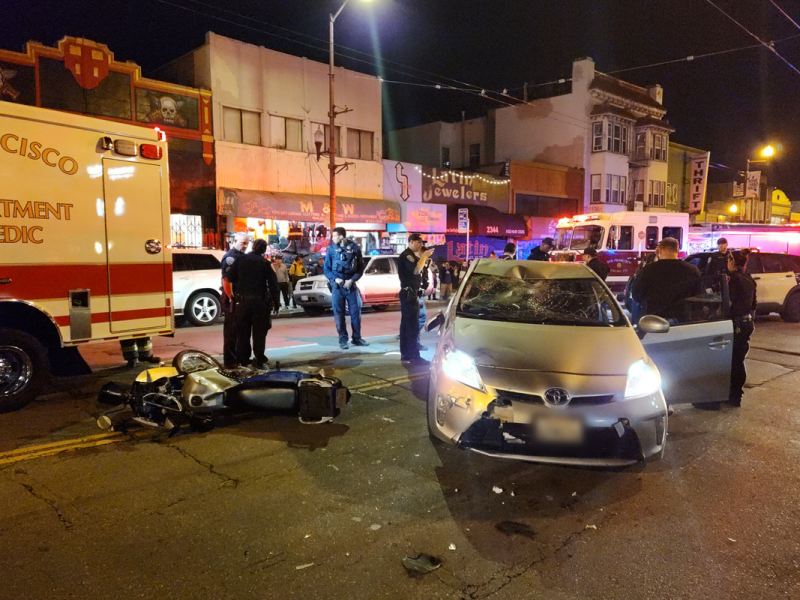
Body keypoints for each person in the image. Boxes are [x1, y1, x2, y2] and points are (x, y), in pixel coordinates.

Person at [226, 238, 280, 368]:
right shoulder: (264, 263)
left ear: (253, 247)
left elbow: (230, 278)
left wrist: (234, 296)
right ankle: (259, 357)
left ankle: (243, 358)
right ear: (264, 249)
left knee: (243, 332)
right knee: (259, 332)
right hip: (259, 302)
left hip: (243, 302)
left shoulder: (239, 260)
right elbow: (273, 284)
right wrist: (276, 302)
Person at [631, 237, 701, 322]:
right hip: (682, 319)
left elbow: (636, 295)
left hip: (655, 319)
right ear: (677, 250)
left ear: (659, 250)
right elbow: (697, 295)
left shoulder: (649, 270)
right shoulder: (692, 270)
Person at [324, 227, 369, 350]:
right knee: (339, 314)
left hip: (351, 286)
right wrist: (335, 278)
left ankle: (357, 338)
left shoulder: (354, 248)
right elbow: (326, 269)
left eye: (335, 236)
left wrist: (352, 280)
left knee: (355, 313)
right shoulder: (331, 250)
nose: (333, 239)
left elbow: (360, 268)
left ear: (342, 237)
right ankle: (343, 340)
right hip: (337, 287)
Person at [398, 233, 434, 364]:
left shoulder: (412, 255)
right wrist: (424, 256)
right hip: (409, 294)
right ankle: (414, 356)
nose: (421, 245)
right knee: (411, 326)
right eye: (419, 242)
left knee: (407, 326)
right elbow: (415, 271)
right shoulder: (407, 255)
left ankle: (406, 354)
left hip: (412, 294)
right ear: (412, 241)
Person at [727, 249, 757, 407]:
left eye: (728, 260)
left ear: (732, 262)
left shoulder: (732, 279)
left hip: (736, 324)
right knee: (739, 359)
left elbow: (728, 303)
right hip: (746, 323)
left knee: (733, 361)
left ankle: (733, 396)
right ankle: (736, 395)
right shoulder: (749, 279)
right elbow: (753, 305)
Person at [221, 232, 248, 368]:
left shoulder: (242, 256)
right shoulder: (230, 257)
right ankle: (230, 361)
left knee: (240, 331)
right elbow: (226, 279)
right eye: (243, 243)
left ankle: (239, 359)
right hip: (233, 299)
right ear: (235, 241)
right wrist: (231, 297)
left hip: (240, 298)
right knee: (231, 331)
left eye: (247, 243)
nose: (245, 246)